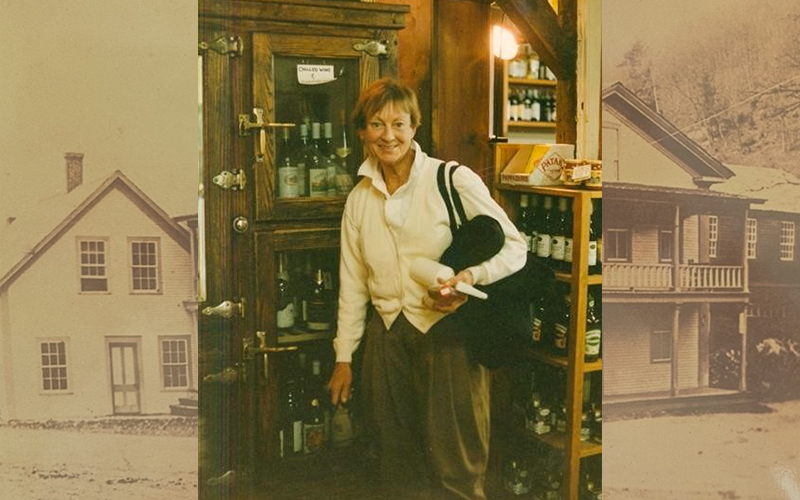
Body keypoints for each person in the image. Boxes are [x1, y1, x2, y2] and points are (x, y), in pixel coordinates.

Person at [327, 78, 527, 500]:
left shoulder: (451, 180)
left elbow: (515, 247)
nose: (388, 136)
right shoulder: (359, 200)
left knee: (457, 465)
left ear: (414, 126)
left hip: (448, 336)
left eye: (398, 123)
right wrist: (344, 357)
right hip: (387, 338)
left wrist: (470, 278)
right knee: (397, 464)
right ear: (362, 132)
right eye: (376, 125)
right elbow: (352, 283)